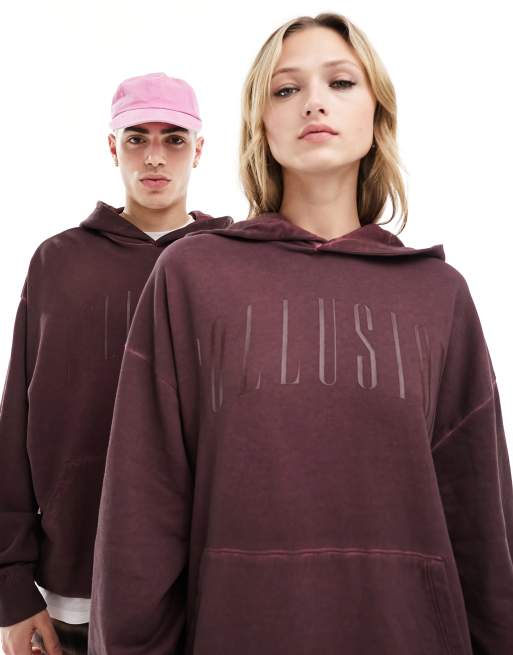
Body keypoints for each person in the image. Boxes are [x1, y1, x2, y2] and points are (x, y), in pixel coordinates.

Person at [89, 14, 513, 655]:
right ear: (260, 122)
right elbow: (141, 506)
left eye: (340, 82)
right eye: (286, 89)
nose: (314, 102)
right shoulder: (192, 276)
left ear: (377, 113)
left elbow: (481, 521)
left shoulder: (439, 294)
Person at [0, 71, 232, 655]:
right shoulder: (58, 262)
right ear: (112, 146)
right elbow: (16, 422)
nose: (154, 156)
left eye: (174, 138)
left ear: (199, 149)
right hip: (78, 580)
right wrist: (10, 588)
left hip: (209, 584)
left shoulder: (232, 265)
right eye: (136, 138)